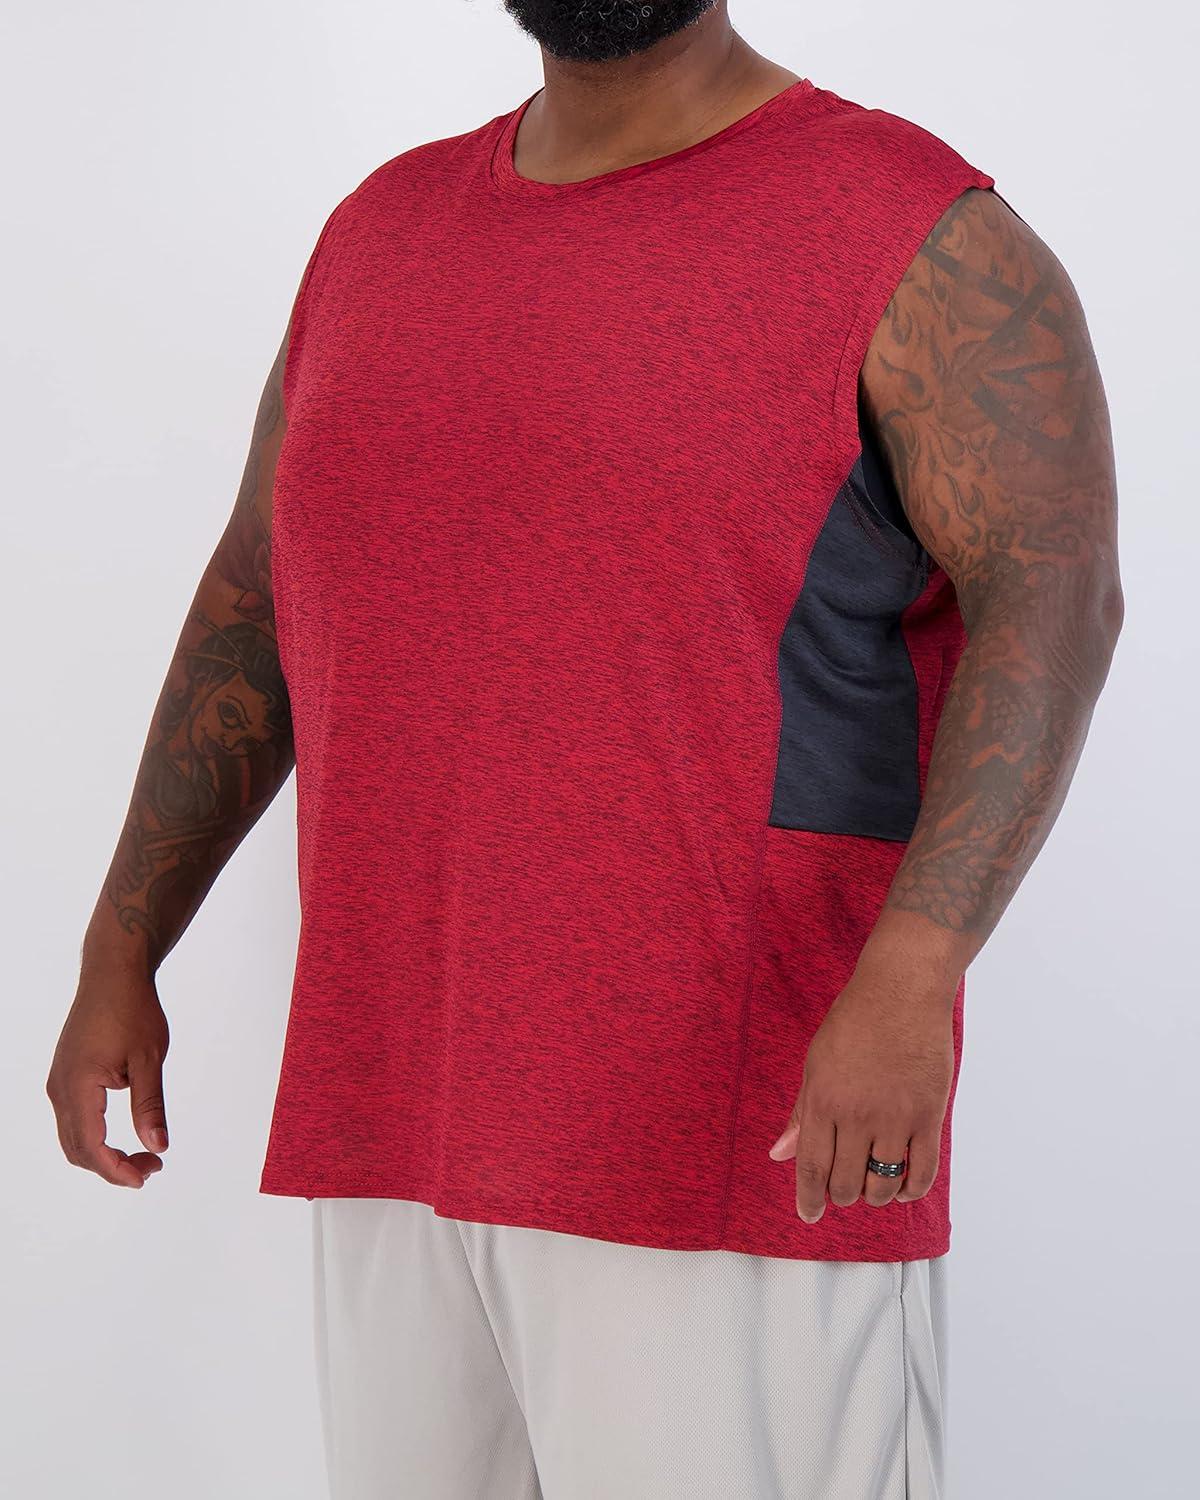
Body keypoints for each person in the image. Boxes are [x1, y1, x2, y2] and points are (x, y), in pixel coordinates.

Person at [45, 3, 1123, 1495]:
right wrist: (123, 942)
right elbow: (256, 594)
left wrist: (915, 972)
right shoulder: (380, 234)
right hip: (392, 1111)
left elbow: (1055, 600)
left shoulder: (920, 233)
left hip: (734, 1134)